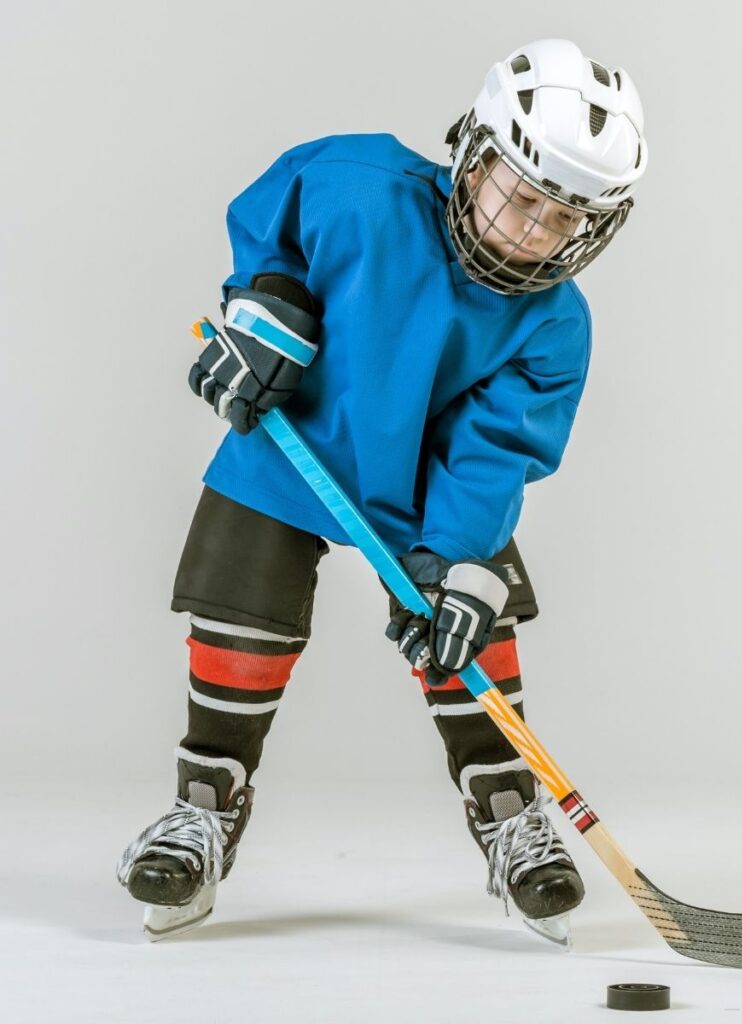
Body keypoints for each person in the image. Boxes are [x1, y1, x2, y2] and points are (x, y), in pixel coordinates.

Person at [117, 37, 648, 945]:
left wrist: (455, 559)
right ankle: (206, 803)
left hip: (422, 485)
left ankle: (507, 809)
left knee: (468, 620)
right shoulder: (354, 181)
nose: (530, 234)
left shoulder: (555, 326)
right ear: (474, 156)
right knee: (243, 594)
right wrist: (267, 299)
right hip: (294, 438)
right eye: (520, 198)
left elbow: (492, 455)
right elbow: (271, 218)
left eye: (562, 220)